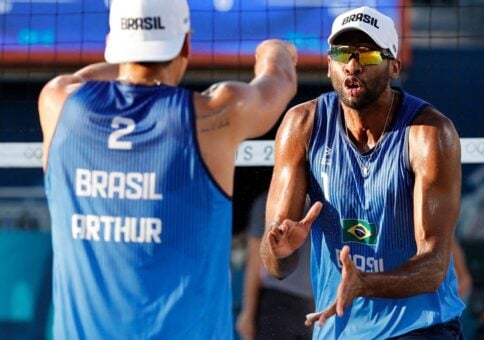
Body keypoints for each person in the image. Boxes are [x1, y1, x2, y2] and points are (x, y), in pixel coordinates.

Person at [37, 0, 297, 338]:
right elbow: (280, 81)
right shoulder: (217, 114)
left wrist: (132, 59)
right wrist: (275, 50)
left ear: (113, 44)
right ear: (186, 43)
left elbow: (81, 79)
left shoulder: (57, 104)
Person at [260, 6, 466, 339]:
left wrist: (364, 284)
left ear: (394, 66)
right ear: (329, 65)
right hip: (339, 328)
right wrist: (279, 250)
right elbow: (277, 266)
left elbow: (434, 266)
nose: (352, 65)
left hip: (421, 327)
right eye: (342, 53)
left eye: (368, 54)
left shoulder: (429, 133)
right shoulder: (302, 125)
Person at [236, 191, 314, 340]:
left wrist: (247, 313)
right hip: (283, 303)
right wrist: (248, 313)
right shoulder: (266, 203)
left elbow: (253, 264)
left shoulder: (268, 202)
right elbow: (255, 263)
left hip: (297, 305)